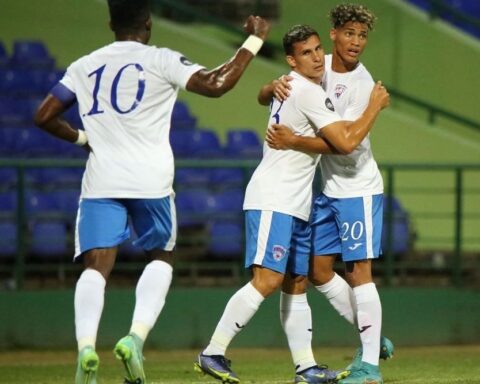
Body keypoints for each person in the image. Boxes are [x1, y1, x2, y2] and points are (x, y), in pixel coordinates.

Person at [33, 1, 270, 383]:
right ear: (148, 23)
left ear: (111, 23)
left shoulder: (84, 64)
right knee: (161, 257)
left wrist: (82, 138)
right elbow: (216, 83)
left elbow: (43, 115)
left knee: (97, 268)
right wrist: (255, 40)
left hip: (101, 180)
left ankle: (86, 349)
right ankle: (135, 338)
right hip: (151, 182)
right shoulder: (161, 59)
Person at [194, 24, 389, 384]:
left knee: (297, 282)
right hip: (275, 196)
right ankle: (213, 351)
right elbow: (344, 143)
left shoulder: (295, 84)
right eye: (306, 53)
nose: (316, 58)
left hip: (298, 201)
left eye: (317, 50)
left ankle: (306, 368)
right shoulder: (308, 91)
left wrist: (270, 87)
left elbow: (263, 95)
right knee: (267, 279)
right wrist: (374, 107)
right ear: (291, 60)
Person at [261, 4, 393, 384]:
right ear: (333, 34)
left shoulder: (363, 84)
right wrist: (271, 86)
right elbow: (264, 96)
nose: (356, 42)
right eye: (349, 33)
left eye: (363, 36)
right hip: (327, 190)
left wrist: (293, 141)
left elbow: (345, 144)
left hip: (358, 188)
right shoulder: (316, 65)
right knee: (319, 272)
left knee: (359, 273)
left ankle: (369, 367)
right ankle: (372, 336)